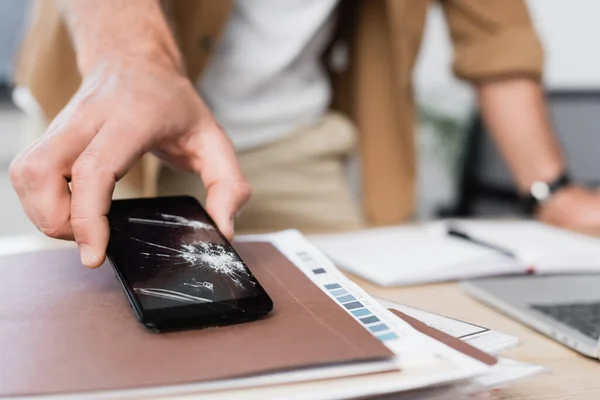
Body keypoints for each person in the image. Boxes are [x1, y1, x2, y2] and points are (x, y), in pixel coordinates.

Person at [10, 0, 600, 269]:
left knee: (357, 321)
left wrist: (551, 191)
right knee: (103, 338)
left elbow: (496, 31)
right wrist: (135, 62)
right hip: (110, 115)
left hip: (290, 130)